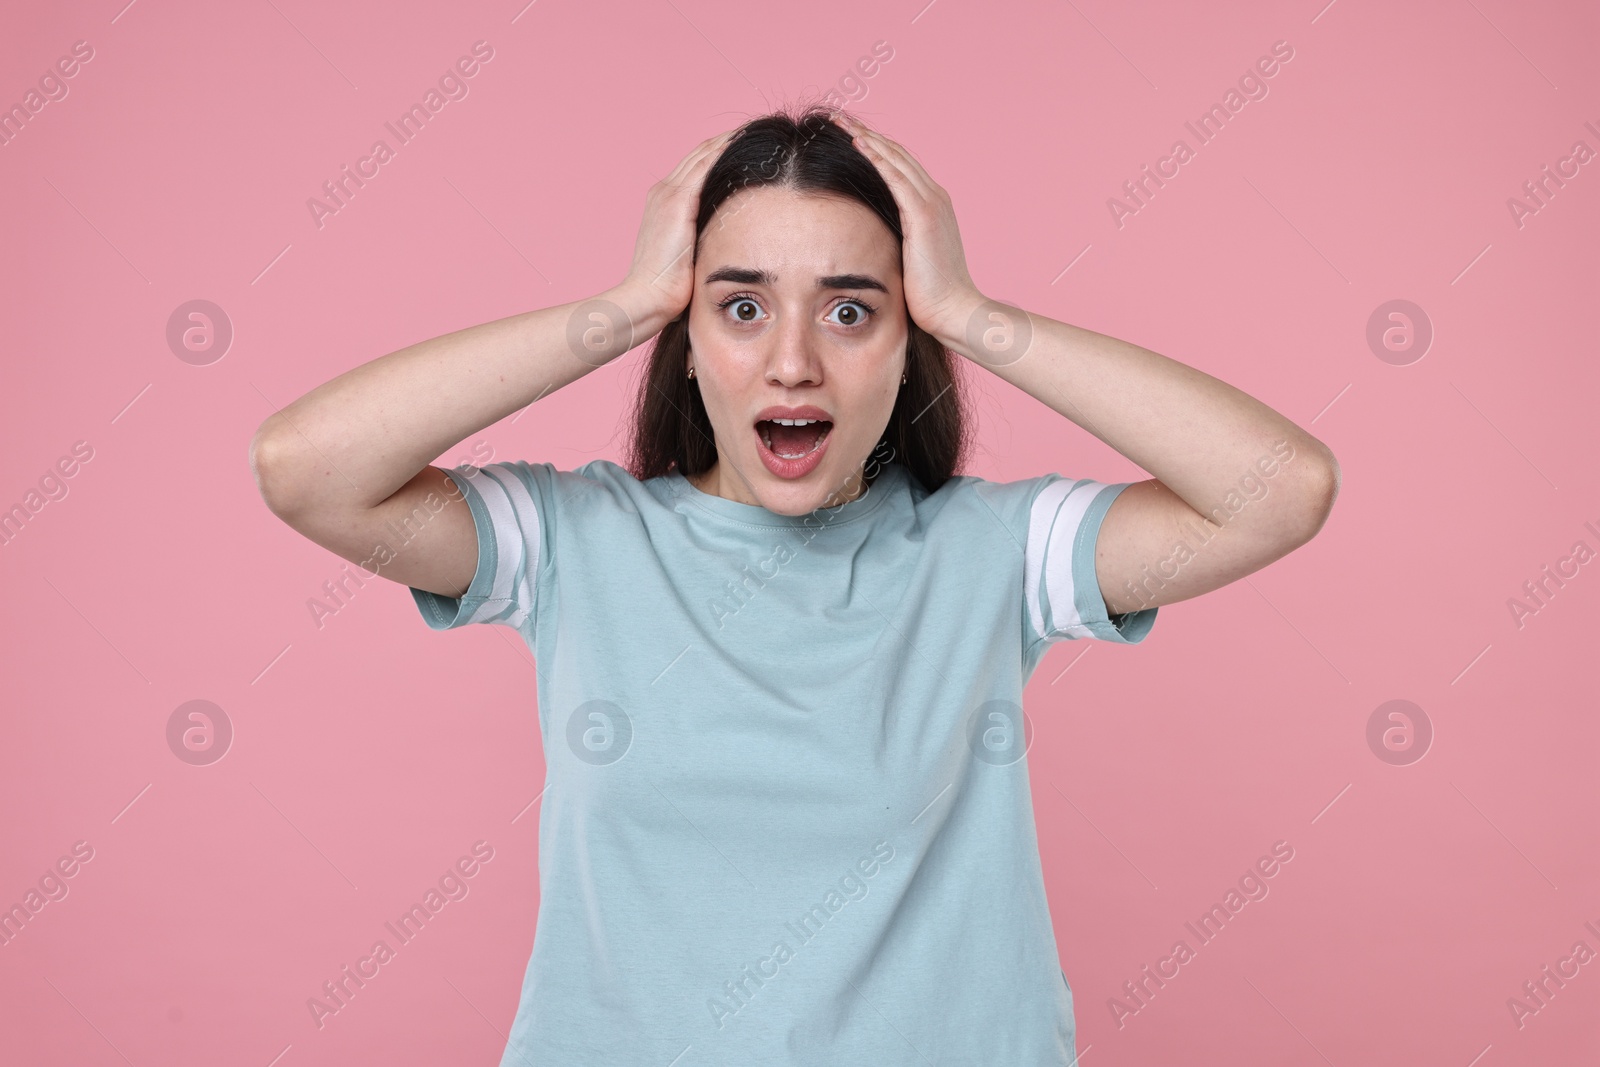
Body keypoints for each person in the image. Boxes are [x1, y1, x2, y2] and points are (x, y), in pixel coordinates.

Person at [250, 105, 1339, 1066]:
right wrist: (626, 306)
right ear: (685, 340)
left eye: (852, 310)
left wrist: (970, 316)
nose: (792, 363)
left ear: (907, 346)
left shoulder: (993, 554)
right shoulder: (577, 540)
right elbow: (307, 469)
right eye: (739, 307)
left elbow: (1279, 489)